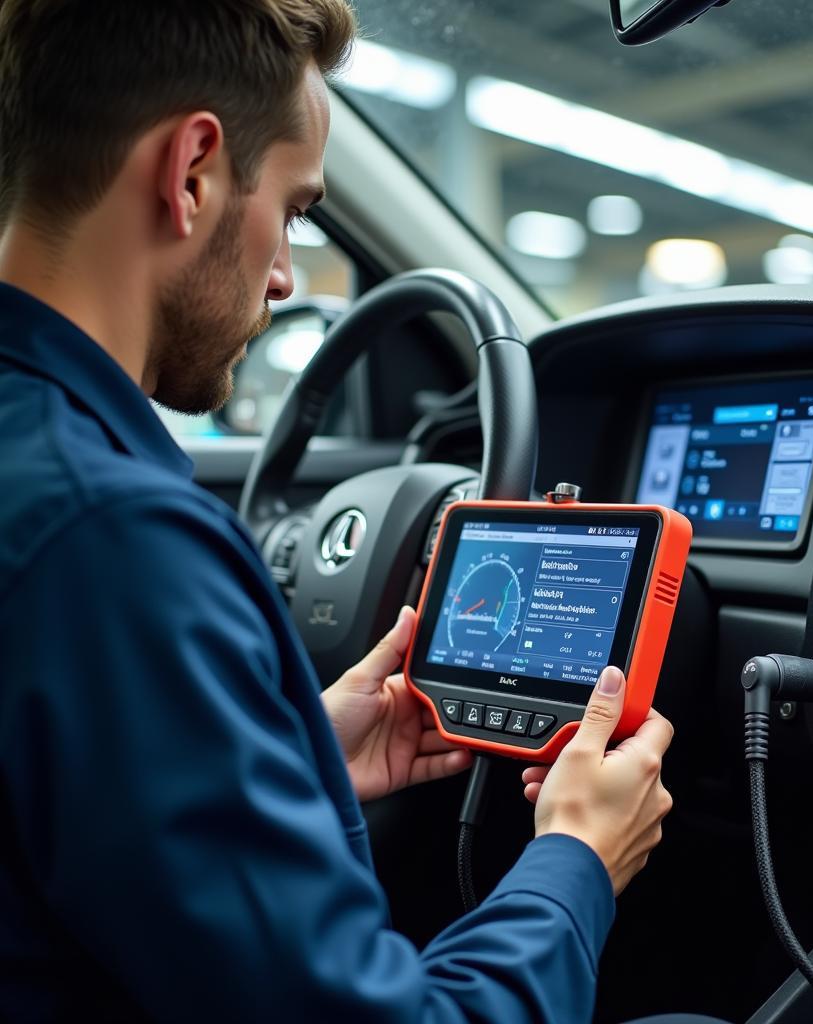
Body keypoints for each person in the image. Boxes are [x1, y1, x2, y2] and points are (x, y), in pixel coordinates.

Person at [0, 2, 678, 1021]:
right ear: (191, 171)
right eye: (294, 211)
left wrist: (290, 756)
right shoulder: (113, 542)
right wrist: (575, 862)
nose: (281, 275)